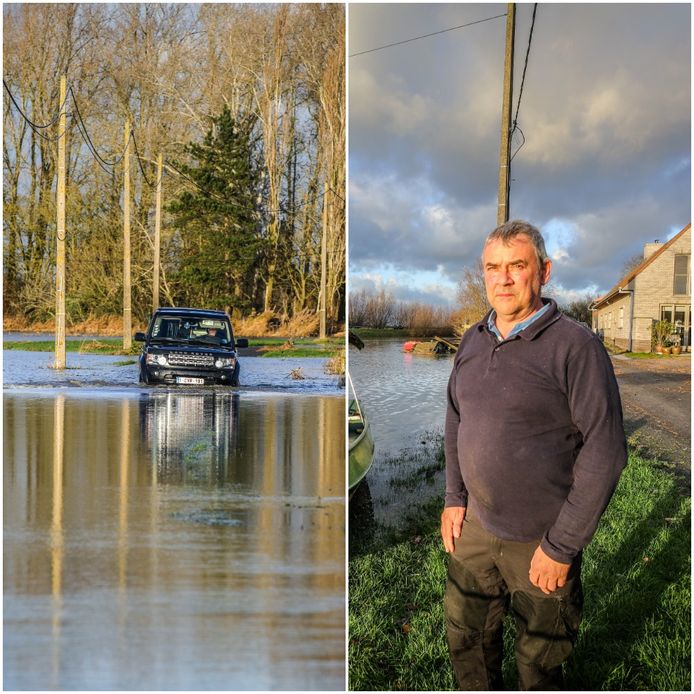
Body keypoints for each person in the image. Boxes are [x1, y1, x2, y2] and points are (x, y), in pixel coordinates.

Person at [441, 220, 627, 690]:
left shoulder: (576, 347)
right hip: (476, 529)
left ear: (542, 271)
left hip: (541, 541)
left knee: (539, 661)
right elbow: (455, 420)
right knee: (467, 640)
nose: (502, 279)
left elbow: (605, 452)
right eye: (492, 268)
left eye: (516, 266)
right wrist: (453, 496)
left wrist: (562, 545)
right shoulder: (472, 341)